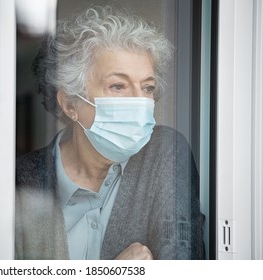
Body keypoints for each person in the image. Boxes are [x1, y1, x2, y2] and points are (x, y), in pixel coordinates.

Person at [15, 5, 204, 260]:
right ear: (71, 104)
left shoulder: (165, 154)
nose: (140, 102)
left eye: (147, 87)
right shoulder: (19, 181)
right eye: (118, 86)